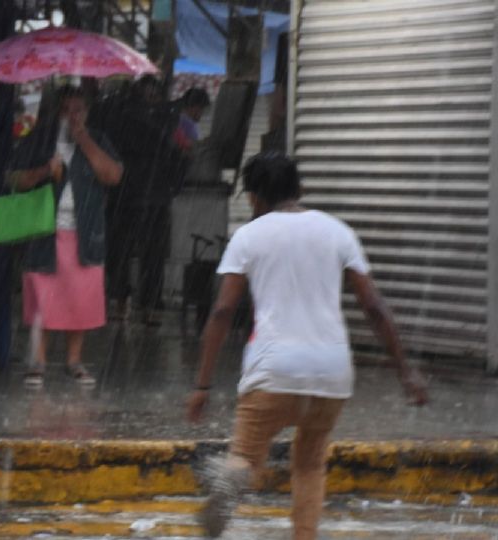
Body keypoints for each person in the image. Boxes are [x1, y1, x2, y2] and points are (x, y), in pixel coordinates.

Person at [185, 153, 429, 539]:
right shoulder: (337, 232)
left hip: (273, 369)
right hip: (331, 371)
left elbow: (222, 311)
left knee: (246, 456)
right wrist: (406, 371)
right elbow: (374, 307)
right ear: (300, 189)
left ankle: (233, 477)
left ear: (253, 198)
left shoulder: (249, 236)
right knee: (311, 464)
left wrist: (202, 386)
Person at [8, 85, 123, 387]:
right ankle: (38, 362)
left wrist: (82, 137)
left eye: (79, 110)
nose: (73, 116)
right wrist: (46, 170)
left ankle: (74, 361)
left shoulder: (97, 139)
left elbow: (112, 175)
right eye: (67, 110)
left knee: (80, 300)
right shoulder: (40, 139)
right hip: (45, 232)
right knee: (42, 300)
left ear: (87, 112)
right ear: (56, 111)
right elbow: (15, 179)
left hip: (84, 234)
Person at [102, 76, 184, 325]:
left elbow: (111, 151)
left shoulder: (118, 115)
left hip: (125, 194)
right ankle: (149, 306)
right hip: (154, 195)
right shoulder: (167, 118)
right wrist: (172, 186)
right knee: (152, 255)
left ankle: (120, 302)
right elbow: (177, 155)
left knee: (120, 252)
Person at [172, 87, 210, 151]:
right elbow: (193, 147)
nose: (202, 113)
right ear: (194, 107)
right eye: (202, 108)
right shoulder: (188, 123)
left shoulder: (178, 119)